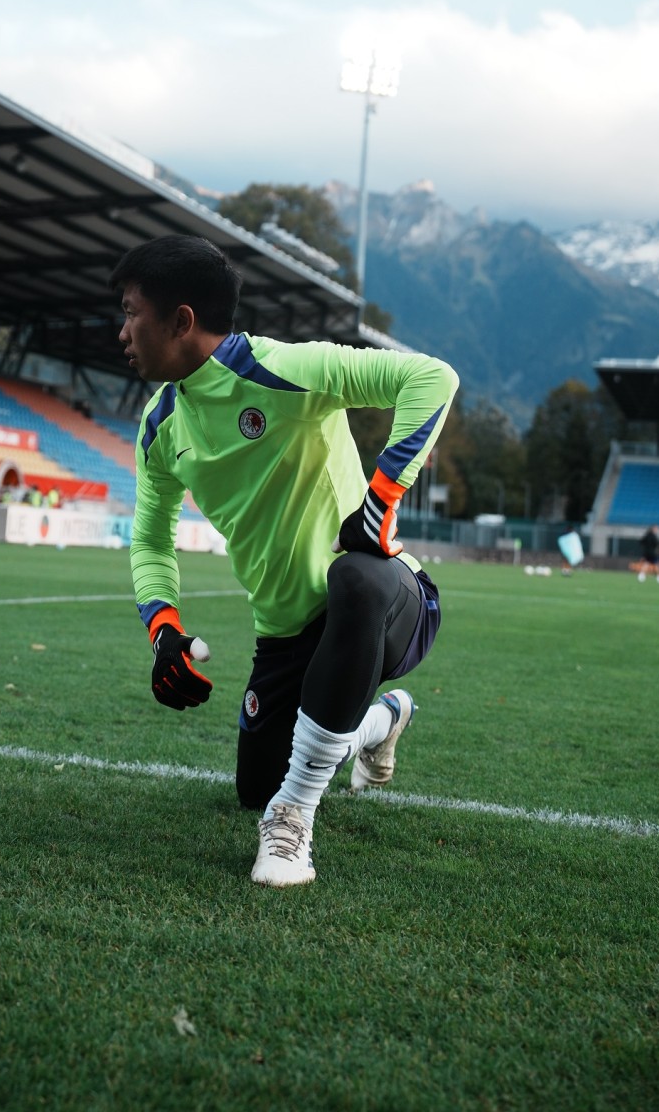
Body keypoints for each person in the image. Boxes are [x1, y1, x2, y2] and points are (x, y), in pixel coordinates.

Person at [112, 235, 459, 887]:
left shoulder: (283, 368)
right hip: (284, 636)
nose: (122, 330)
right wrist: (163, 630)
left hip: (389, 602)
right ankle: (384, 719)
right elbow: (152, 540)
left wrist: (382, 497)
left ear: (180, 321)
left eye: (131, 311)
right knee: (251, 786)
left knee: (352, 575)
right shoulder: (159, 426)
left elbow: (431, 378)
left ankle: (292, 822)